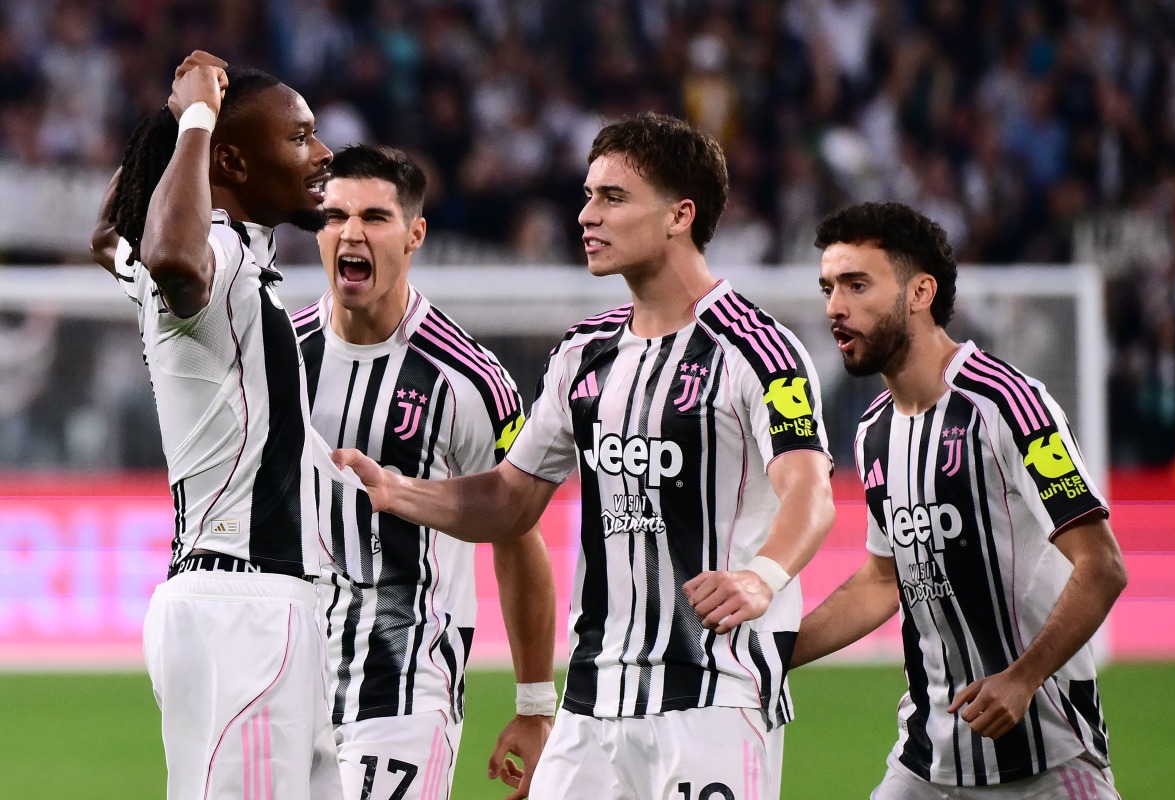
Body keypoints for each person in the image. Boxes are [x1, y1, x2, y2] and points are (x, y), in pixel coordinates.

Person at [334, 112, 837, 800]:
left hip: (715, 695)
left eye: (613, 198)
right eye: (587, 195)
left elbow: (809, 489)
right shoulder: (584, 352)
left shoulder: (758, 350)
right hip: (592, 706)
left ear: (679, 216)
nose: (586, 215)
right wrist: (400, 492)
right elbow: (510, 500)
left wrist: (763, 577)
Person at [795, 201, 1127, 798]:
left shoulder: (1009, 405)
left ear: (920, 292)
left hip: (1048, 760)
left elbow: (1102, 564)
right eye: (828, 288)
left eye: (857, 285)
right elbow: (882, 580)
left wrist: (1023, 678)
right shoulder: (873, 432)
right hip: (925, 763)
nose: (834, 308)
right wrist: (775, 653)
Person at [89, 51, 342, 799]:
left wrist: (173, 128)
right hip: (247, 606)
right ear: (231, 160)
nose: (321, 153)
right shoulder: (215, 256)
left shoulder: (238, 260)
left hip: (256, 605)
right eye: (298, 137)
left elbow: (110, 235)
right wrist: (196, 116)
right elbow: (166, 251)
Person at [291, 144, 557, 800]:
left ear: (415, 234)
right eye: (336, 215)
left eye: (375, 217)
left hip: (404, 682)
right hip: (285, 679)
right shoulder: (280, 354)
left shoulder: (469, 380)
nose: (351, 232)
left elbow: (518, 535)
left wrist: (533, 702)